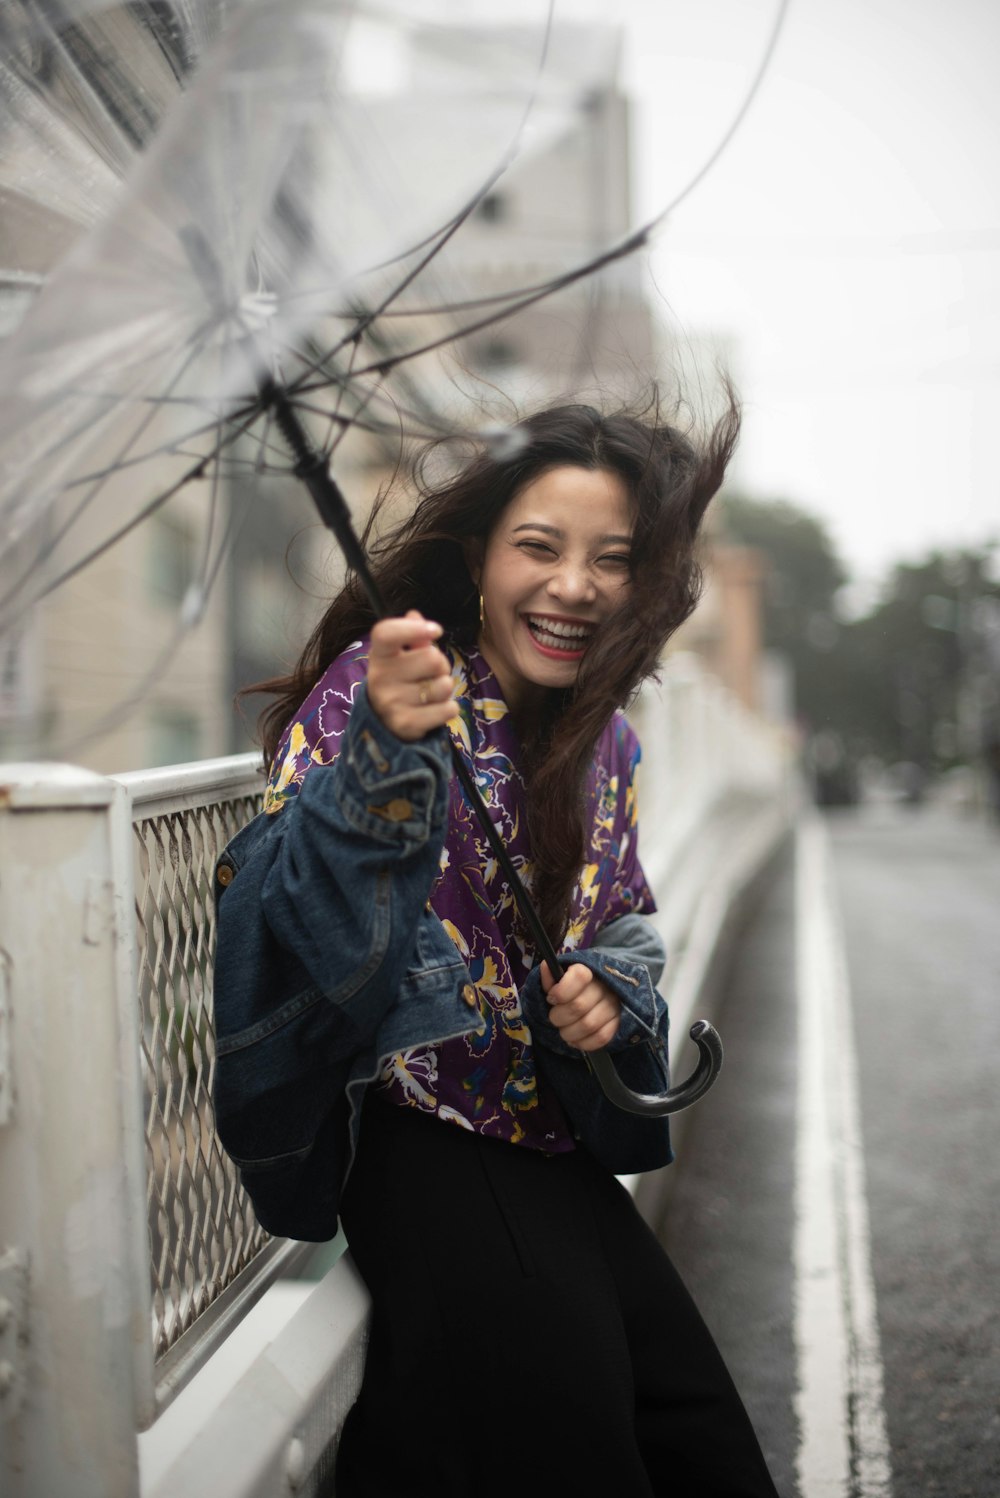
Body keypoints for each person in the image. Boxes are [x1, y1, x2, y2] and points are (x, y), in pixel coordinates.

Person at [211, 396, 781, 1497]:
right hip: (420, 1138)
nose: (574, 584)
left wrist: (608, 996)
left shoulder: (604, 739)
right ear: (477, 560)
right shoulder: (374, 699)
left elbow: (620, 921)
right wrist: (385, 753)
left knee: (696, 1435)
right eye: (539, 547)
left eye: (611, 559)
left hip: (546, 1140)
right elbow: (316, 943)